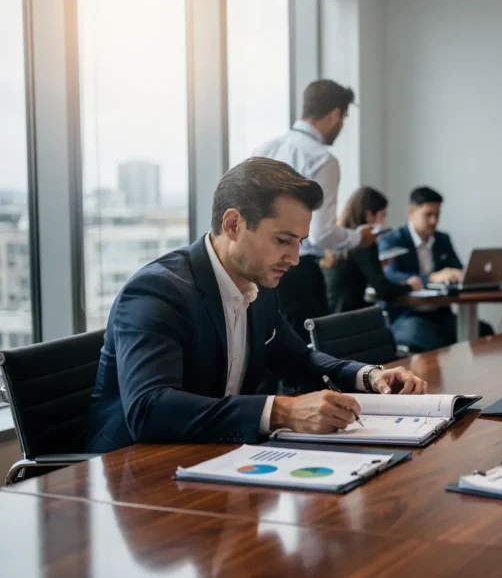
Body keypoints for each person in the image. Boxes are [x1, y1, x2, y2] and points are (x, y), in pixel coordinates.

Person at [84, 158, 428, 453]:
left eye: (300, 243)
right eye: (282, 240)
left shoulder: (259, 285)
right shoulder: (157, 291)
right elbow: (149, 410)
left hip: (216, 459)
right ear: (233, 224)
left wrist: (368, 375)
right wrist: (281, 411)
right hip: (129, 475)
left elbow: (298, 359)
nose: (294, 259)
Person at [251, 79, 376, 340]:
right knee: (305, 360)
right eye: (344, 118)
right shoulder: (322, 159)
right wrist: (357, 238)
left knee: (263, 354)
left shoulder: (264, 149)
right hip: (297, 273)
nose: (341, 126)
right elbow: (321, 234)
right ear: (334, 115)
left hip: (256, 268)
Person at [377, 186, 494, 352]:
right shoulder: (392, 240)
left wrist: (464, 274)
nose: (434, 221)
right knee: (434, 339)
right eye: (428, 214)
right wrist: (431, 277)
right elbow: (390, 275)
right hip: (406, 315)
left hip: (440, 314)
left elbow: (457, 269)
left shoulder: (442, 239)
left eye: (437, 214)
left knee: (484, 332)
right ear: (411, 212)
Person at [325, 186, 415, 313]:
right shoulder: (364, 242)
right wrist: (410, 286)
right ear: (369, 215)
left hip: (331, 317)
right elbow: (383, 290)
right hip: (352, 318)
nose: (384, 221)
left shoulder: (340, 239)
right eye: (383, 215)